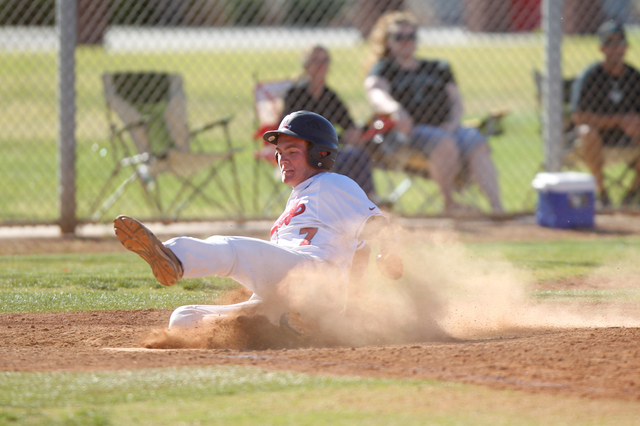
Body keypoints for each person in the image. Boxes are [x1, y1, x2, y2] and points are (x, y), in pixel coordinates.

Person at [114, 111, 402, 339]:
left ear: (320, 154)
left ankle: (174, 256)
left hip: (312, 277)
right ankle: (287, 332)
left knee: (235, 249)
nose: (281, 159)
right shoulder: (297, 202)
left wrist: (388, 252)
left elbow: (378, 225)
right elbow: (358, 249)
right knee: (185, 319)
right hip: (285, 293)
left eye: (292, 151)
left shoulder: (331, 183)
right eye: (279, 152)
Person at [363, 11, 504, 214]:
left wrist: (454, 123)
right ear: (388, 42)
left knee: (476, 140)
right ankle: (450, 204)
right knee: (443, 141)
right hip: (408, 133)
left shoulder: (437, 67)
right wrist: (395, 109)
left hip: (447, 127)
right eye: (399, 37)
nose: (406, 41)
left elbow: (456, 101)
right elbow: (375, 92)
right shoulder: (384, 68)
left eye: (411, 36)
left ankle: (497, 208)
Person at [281, 45, 376, 199]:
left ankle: (368, 200)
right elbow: (285, 128)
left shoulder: (330, 96)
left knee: (359, 155)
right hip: (302, 150)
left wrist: (357, 132)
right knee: (344, 158)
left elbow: (348, 125)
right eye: (316, 61)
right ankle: (349, 202)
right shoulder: (295, 94)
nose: (321, 66)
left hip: (327, 149)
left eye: (325, 61)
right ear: (306, 65)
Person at [571, 20, 640, 206]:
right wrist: (618, 120)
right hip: (592, 142)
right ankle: (602, 195)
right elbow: (578, 117)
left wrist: (635, 123)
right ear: (601, 48)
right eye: (611, 43)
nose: (617, 48)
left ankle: (632, 196)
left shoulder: (634, 77)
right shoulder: (591, 76)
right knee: (587, 131)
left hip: (627, 140)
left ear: (627, 46)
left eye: (620, 43)